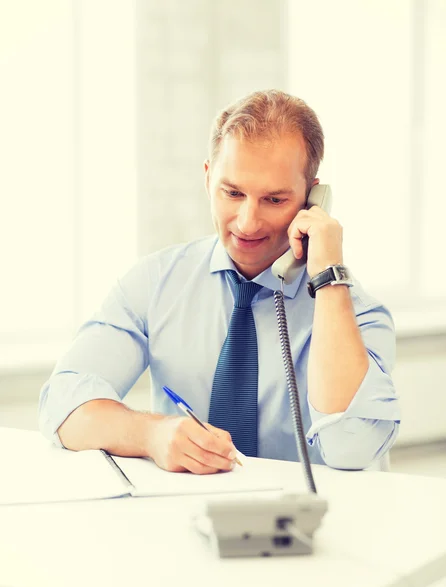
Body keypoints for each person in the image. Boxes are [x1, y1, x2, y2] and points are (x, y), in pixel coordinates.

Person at [39, 89, 400, 474]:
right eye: (233, 193)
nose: (247, 222)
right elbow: (61, 403)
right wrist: (152, 434)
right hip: (190, 517)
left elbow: (353, 449)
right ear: (209, 179)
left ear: (313, 198)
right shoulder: (156, 282)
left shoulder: (357, 313)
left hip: (315, 524)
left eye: (274, 200)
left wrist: (328, 278)